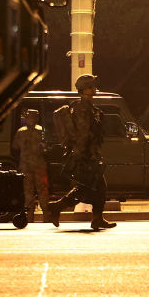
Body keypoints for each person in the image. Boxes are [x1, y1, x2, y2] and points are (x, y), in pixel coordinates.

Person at [45, 74, 117, 231]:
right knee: (88, 188)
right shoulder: (82, 108)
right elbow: (83, 134)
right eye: (92, 86)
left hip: (88, 154)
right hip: (85, 155)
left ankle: (96, 218)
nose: (95, 88)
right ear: (85, 89)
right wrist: (84, 155)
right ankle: (58, 207)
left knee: (94, 187)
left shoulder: (88, 107)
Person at [12, 108, 51, 223]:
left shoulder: (20, 132)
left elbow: (15, 147)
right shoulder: (42, 131)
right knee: (42, 191)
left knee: (28, 193)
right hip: (39, 166)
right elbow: (47, 149)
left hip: (26, 166)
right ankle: (46, 217)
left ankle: (29, 218)